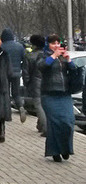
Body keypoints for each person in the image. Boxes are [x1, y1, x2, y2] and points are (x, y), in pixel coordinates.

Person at [37, 34, 76, 162]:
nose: (56, 46)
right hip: (49, 94)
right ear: (48, 45)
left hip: (64, 94)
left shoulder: (63, 58)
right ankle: (55, 152)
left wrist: (69, 60)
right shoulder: (44, 56)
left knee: (68, 122)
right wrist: (54, 56)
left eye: (58, 43)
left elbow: (74, 71)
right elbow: (41, 66)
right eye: (53, 43)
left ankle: (65, 149)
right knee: (55, 124)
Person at [0, 28, 27, 123]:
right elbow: (24, 59)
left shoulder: (1, 46)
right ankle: (20, 107)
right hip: (16, 73)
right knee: (16, 93)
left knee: (6, 93)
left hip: (5, 73)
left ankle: (8, 114)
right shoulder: (19, 46)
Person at [22, 35, 46, 136]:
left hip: (35, 83)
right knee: (44, 105)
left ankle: (45, 127)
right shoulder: (47, 55)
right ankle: (40, 125)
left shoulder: (29, 56)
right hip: (47, 83)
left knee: (38, 105)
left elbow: (25, 72)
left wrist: (26, 83)